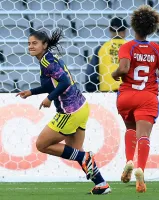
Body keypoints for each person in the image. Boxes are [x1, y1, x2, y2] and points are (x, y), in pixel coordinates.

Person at [16, 29, 111, 195]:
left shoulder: (47, 61)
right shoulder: (48, 59)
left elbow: (64, 82)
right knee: (75, 150)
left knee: (42, 144)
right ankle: (101, 184)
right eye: (29, 43)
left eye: (35, 43)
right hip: (81, 107)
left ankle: (85, 158)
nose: (30, 46)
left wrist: (50, 98)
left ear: (44, 45)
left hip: (69, 112)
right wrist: (31, 92)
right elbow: (52, 84)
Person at [112, 5, 159, 193]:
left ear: (134, 27)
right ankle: (140, 171)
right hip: (147, 96)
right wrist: (151, 66)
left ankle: (129, 160)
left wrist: (114, 74)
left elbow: (124, 68)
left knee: (130, 128)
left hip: (127, 95)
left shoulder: (127, 46)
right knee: (144, 135)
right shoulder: (157, 49)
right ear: (152, 28)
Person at [85, 17, 128, 92]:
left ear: (109, 30)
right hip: (127, 91)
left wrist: (92, 89)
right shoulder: (131, 48)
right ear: (125, 31)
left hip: (106, 92)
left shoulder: (101, 48)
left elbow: (91, 73)